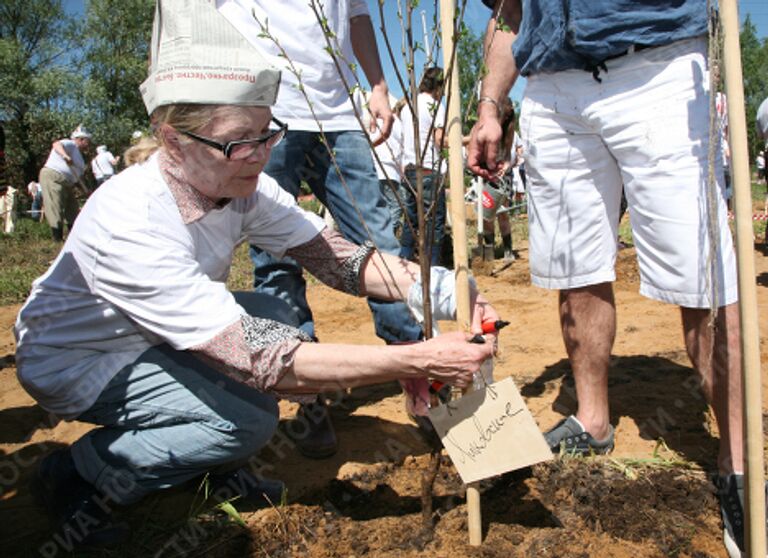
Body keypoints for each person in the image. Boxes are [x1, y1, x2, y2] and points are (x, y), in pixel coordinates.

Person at [15, 0, 498, 548]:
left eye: (267, 135)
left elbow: (336, 258)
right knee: (245, 419)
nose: (260, 156)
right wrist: (411, 359)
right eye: (239, 143)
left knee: (275, 314)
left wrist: (445, 290)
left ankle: (207, 463)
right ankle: (81, 474)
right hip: (83, 359)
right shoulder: (134, 221)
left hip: (153, 333)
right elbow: (265, 360)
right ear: (174, 140)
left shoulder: (241, 182)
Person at [467, 2, 757, 557]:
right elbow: (508, 13)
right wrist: (490, 106)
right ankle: (593, 420)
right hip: (551, 86)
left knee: (705, 275)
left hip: (658, 65)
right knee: (574, 266)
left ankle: (738, 463)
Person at [217, 0, 425, 459]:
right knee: (276, 262)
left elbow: (357, 17)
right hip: (265, 112)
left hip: (337, 113)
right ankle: (306, 394)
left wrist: (377, 85)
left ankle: (418, 370)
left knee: (379, 240)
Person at [399, 67, 448, 266]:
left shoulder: (408, 106)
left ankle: (403, 264)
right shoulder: (434, 106)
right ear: (438, 85)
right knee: (434, 225)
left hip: (409, 171)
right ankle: (433, 268)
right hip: (428, 170)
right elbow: (440, 140)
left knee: (410, 222)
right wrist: (467, 139)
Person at [38, 125, 92, 240]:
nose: (89, 144)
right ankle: (57, 238)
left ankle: (74, 237)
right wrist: (65, 155)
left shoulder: (81, 159)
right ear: (80, 139)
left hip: (68, 182)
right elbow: (56, 145)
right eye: (87, 141)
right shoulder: (71, 144)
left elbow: (78, 178)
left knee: (72, 207)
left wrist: (85, 190)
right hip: (54, 176)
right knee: (55, 205)